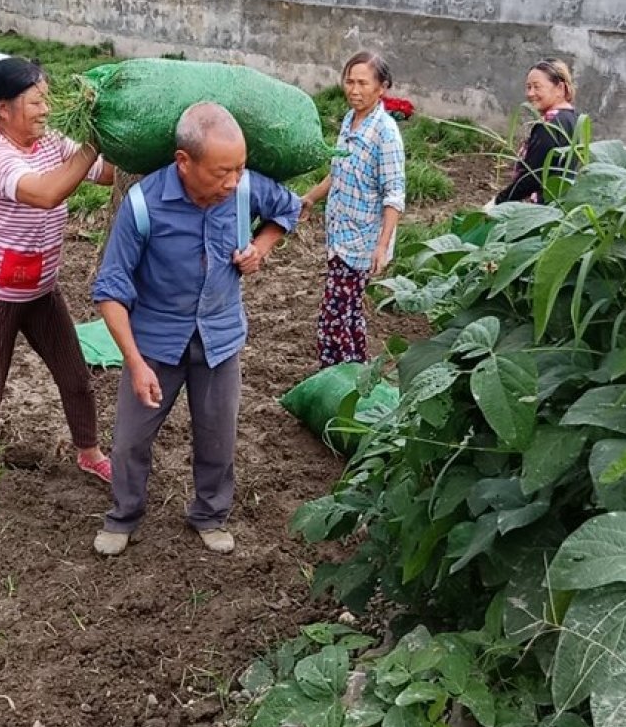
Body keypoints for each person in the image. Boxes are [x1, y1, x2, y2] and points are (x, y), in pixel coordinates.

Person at [92, 102, 301, 558]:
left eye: (239, 169)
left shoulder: (244, 190)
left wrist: (260, 248)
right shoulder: (144, 204)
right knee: (129, 440)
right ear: (184, 163)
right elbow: (110, 289)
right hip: (154, 345)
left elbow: (289, 207)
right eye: (222, 171)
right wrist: (133, 361)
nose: (232, 181)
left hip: (220, 339)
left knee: (218, 435)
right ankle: (124, 515)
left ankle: (209, 514)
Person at [0, 57, 115, 520]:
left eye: (48, 98)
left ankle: (88, 451)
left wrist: (124, 138)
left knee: (77, 377)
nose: (47, 108)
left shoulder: (48, 142)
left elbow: (100, 173)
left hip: (39, 288)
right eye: (37, 100)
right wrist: (91, 144)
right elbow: (45, 193)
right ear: (2, 108)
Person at [301, 51, 405, 367]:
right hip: (339, 235)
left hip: (362, 243)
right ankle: (356, 372)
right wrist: (309, 198)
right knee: (348, 312)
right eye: (350, 81)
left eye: (362, 83)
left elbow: (394, 195)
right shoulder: (350, 120)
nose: (354, 90)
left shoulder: (385, 132)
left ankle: (336, 374)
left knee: (334, 315)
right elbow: (339, 172)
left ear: (381, 87)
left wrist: (382, 246)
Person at [494, 59, 579, 205]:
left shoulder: (550, 125)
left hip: (540, 207)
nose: (530, 93)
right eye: (528, 87)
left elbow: (533, 175)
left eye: (537, 87)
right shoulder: (573, 119)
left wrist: (500, 201)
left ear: (559, 88)